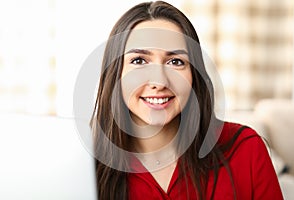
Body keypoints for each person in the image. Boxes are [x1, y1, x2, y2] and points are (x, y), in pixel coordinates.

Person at [90, 1, 283, 199]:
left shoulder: (245, 149)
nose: (159, 81)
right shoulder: (84, 164)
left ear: (194, 76)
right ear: (115, 75)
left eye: (175, 62)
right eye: (139, 61)